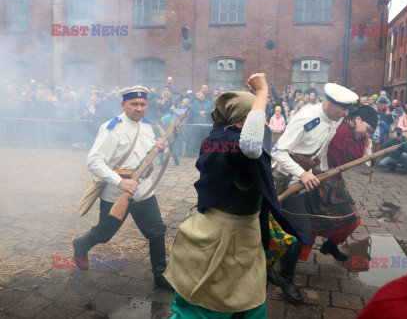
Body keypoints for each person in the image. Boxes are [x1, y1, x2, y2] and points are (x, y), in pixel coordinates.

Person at [163, 74, 312, 317]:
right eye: (257, 116)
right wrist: (262, 92)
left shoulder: (223, 138)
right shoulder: (229, 143)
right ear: (242, 122)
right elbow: (252, 148)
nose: (263, 123)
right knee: (207, 305)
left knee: (250, 301)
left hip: (246, 233)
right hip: (221, 237)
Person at [72, 86, 172, 290]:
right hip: (116, 193)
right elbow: (93, 161)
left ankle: (160, 275)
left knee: (157, 231)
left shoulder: (146, 126)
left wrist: (158, 148)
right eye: (134, 104)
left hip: (143, 192)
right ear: (123, 105)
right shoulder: (111, 128)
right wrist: (120, 182)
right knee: (104, 234)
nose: (139, 108)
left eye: (143, 104)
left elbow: (143, 156)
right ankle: (81, 244)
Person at [270, 83, 358, 303]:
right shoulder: (307, 119)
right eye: (344, 109)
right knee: (302, 230)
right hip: (287, 181)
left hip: (308, 176)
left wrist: (327, 171)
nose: (347, 114)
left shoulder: (334, 119)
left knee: (331, 211)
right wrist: (301, 174)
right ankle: (285, 277)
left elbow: (323, 148)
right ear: (329, 105)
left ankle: (326, 245)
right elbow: (277, 151)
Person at [296, 105, 378, 262]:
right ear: (358, 119)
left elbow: (356, 156)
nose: (366, 134)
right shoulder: (339, 126)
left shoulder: (358, 138)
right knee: (312, 221)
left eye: (369, 132)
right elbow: (334, 150)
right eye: (366, 129)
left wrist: (366, 143)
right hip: (315, 175)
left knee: (353, 219)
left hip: (334, 177)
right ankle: (292, 265)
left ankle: (331, 244)